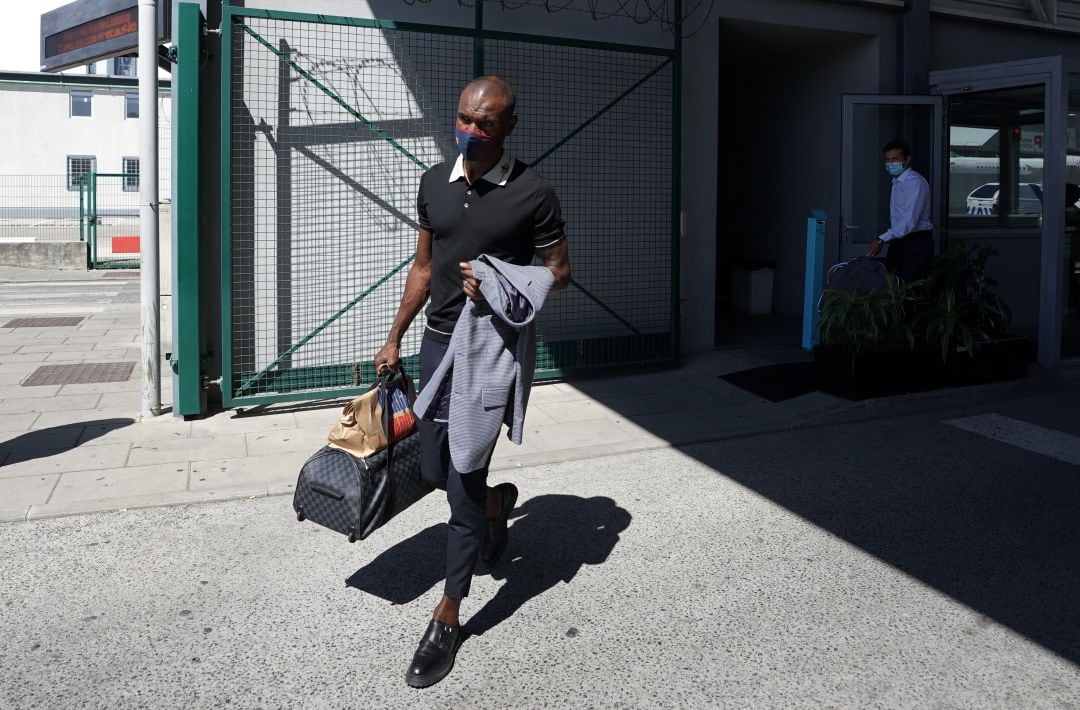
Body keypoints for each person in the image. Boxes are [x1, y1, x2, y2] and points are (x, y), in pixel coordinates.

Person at [373, 75, 571, 689]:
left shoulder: (534, 193)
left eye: (486, 124)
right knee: (433, 469)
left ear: (508, 126)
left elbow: (558, 273)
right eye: (464, 118)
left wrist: (502, 283)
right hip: (436, 348)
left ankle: (448, 615)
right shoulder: (435, 182)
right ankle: (497, 504)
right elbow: (423, 266)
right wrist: (394, 334)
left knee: (458, 483)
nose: (472, 131)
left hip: (489, 353)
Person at [866, 138, 934, 282]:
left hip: (916, 243)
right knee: (892, 285)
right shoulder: (898, 182)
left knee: (909, 290)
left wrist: (880, 240)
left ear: (907, 160)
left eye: (895, 159)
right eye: (887, 160)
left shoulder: (914, 183)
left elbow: (909, 221)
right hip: (901, 241)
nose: (890, 164)